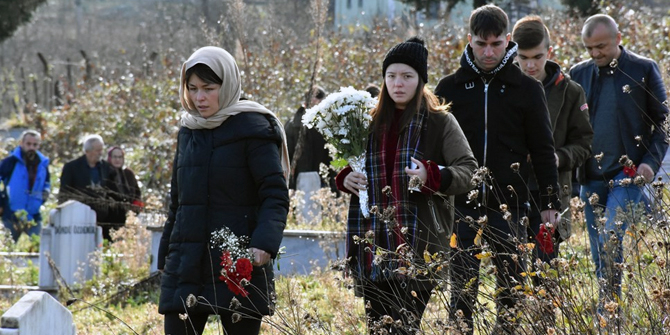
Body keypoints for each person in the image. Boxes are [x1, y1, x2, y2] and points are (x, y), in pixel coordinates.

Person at [337, 37, 477, 335]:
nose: (398, 84)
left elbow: (469, 171)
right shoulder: (367, 123)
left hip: (419, 245)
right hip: (371, 244)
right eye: (391, 76)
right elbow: (351, 165)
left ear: (421, 80)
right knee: (378, 328)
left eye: (407, 76)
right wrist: (344, 178)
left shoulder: (440, 123)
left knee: (403, 327)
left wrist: (432, 176)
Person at [434, 5, 561, 334]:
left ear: (508, 41)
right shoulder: (449, 88)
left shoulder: (528, 90)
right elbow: (433, 148)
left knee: (512, 291)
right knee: (461, 291)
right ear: (469, 41)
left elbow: (543, 151)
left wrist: (550, 203)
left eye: (496, 44)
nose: (488, 52)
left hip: (512, 206)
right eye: (481, 44)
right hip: (462, 204)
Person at [157, 46, 289, 335]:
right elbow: (178, 203)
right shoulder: (189, 130)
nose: (199, 97)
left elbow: (274, 194)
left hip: (237, 258)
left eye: (208, 88)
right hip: (187, 261)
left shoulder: (254, 128)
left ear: (227, 84)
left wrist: (264, 243)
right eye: (192, 88)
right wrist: (166, 254)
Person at [569, 14, 668, 312]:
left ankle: (606, 310)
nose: (595, 53)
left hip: (628, 177)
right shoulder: (579, 73)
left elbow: (663, 122)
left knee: (611, 237)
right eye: (589, 48)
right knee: (600, 250)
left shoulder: (643, 69)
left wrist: (649, 163)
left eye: (601, 46)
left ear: (618, 38)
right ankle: (610, 311)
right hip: (591, 177)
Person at [511, 16, 594, 263]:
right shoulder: (503, 88)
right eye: (523, 58)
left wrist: (558, 157)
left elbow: (585, 142)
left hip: (550, 192)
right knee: (510, 271)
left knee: (545, 272)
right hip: (510, 192)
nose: (530, 66)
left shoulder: (570, 91)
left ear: (549, 51)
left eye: (537, 57)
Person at [284, 86, 332, 223]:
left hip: (321, 178)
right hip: (305, 176)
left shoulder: (322, 123)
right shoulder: (296, 124)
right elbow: (287, 154)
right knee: (308, 219)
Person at [59, 134, 115, 239]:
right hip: (78, 217)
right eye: (97, 150)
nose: (100, 153)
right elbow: (64, 193)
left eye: (101, 150)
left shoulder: (106, 167)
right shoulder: (72, 167)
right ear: (88, 151)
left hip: (101, 218)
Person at [0, 130, 50, 241]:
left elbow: (47, 183)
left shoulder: (43, 164)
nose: (31, 147)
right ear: (21, 143)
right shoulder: (10, 162)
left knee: (40, 248)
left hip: (34, 214)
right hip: (11, 214)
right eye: (28, 144)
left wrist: (45, 195)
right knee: (8, 249)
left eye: (35, 144)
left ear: (39, 145)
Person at [105, 147, 142, 225]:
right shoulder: (104, 173)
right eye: (115, 157)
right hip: (110, 217)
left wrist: (134, 208)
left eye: (120, 157)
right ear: (109, 158)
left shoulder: (128, 174)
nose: (117, 160)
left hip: (128, 216)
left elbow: (137, 193)